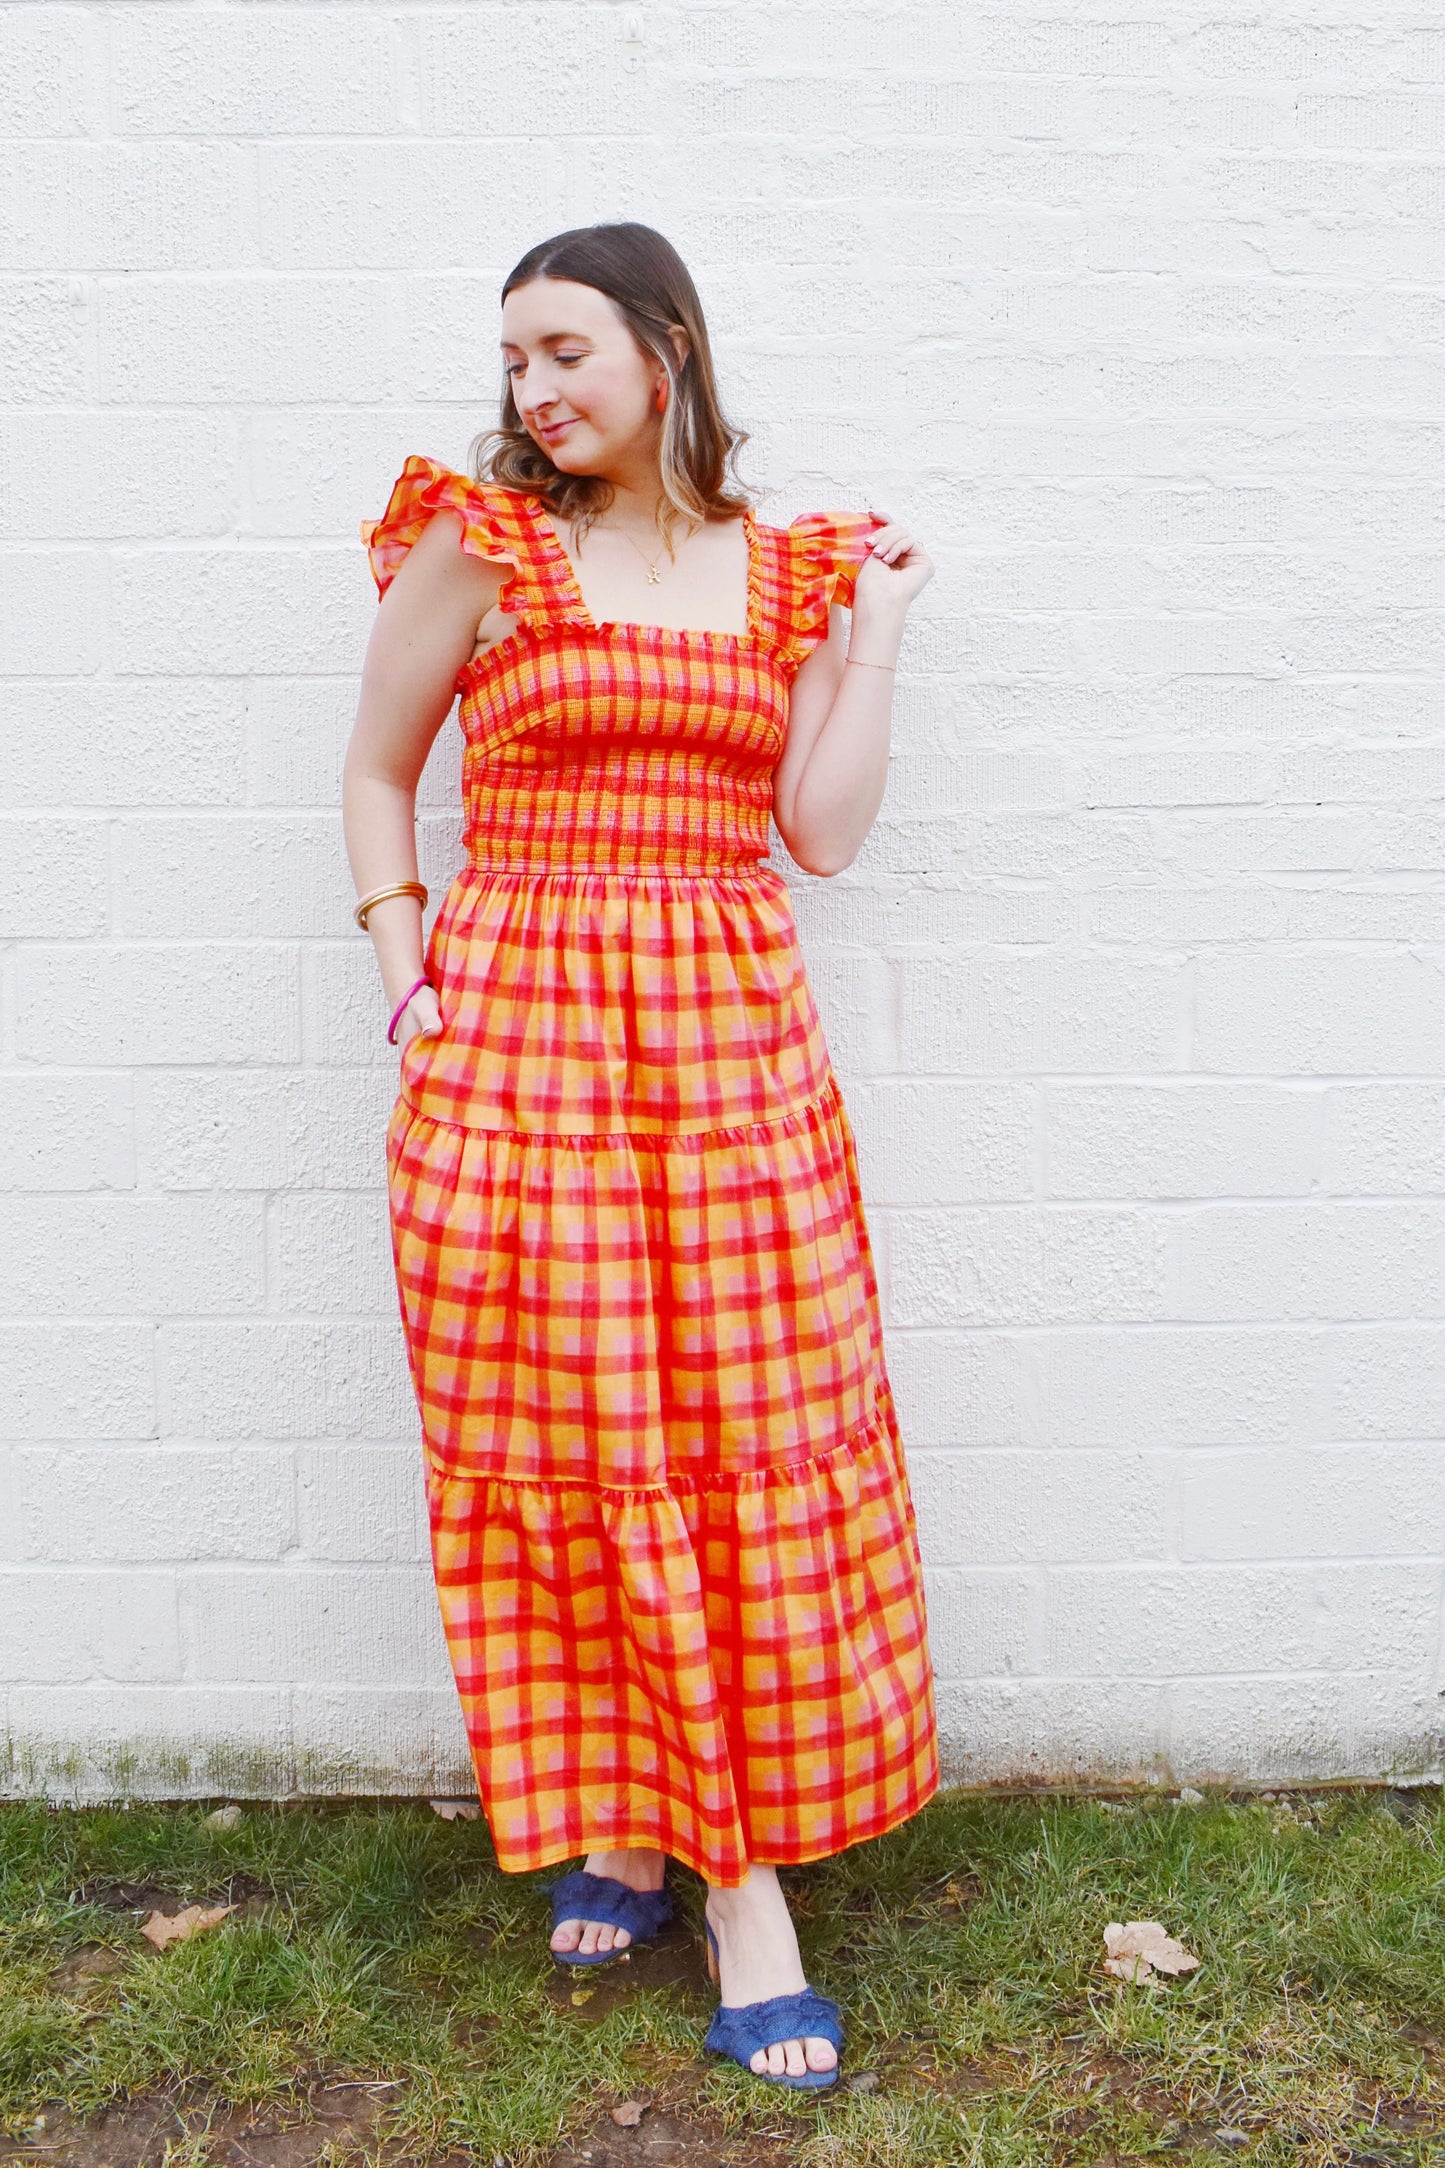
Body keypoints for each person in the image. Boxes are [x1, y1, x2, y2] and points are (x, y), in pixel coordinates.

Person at [345, 221, 939, 2091]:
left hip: (730, 1052)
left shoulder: (786, 575)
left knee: (740, 1436)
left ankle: (707, 1851)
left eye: (564, 349)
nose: (532, 391)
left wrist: (882, 641)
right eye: (513, 359)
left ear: (665, 346)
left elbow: (818, 838)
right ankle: (671, 1844)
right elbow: (376, 766)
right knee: (575, 1440)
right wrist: (406, 975)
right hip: (520, 1052)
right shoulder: (483, 540)